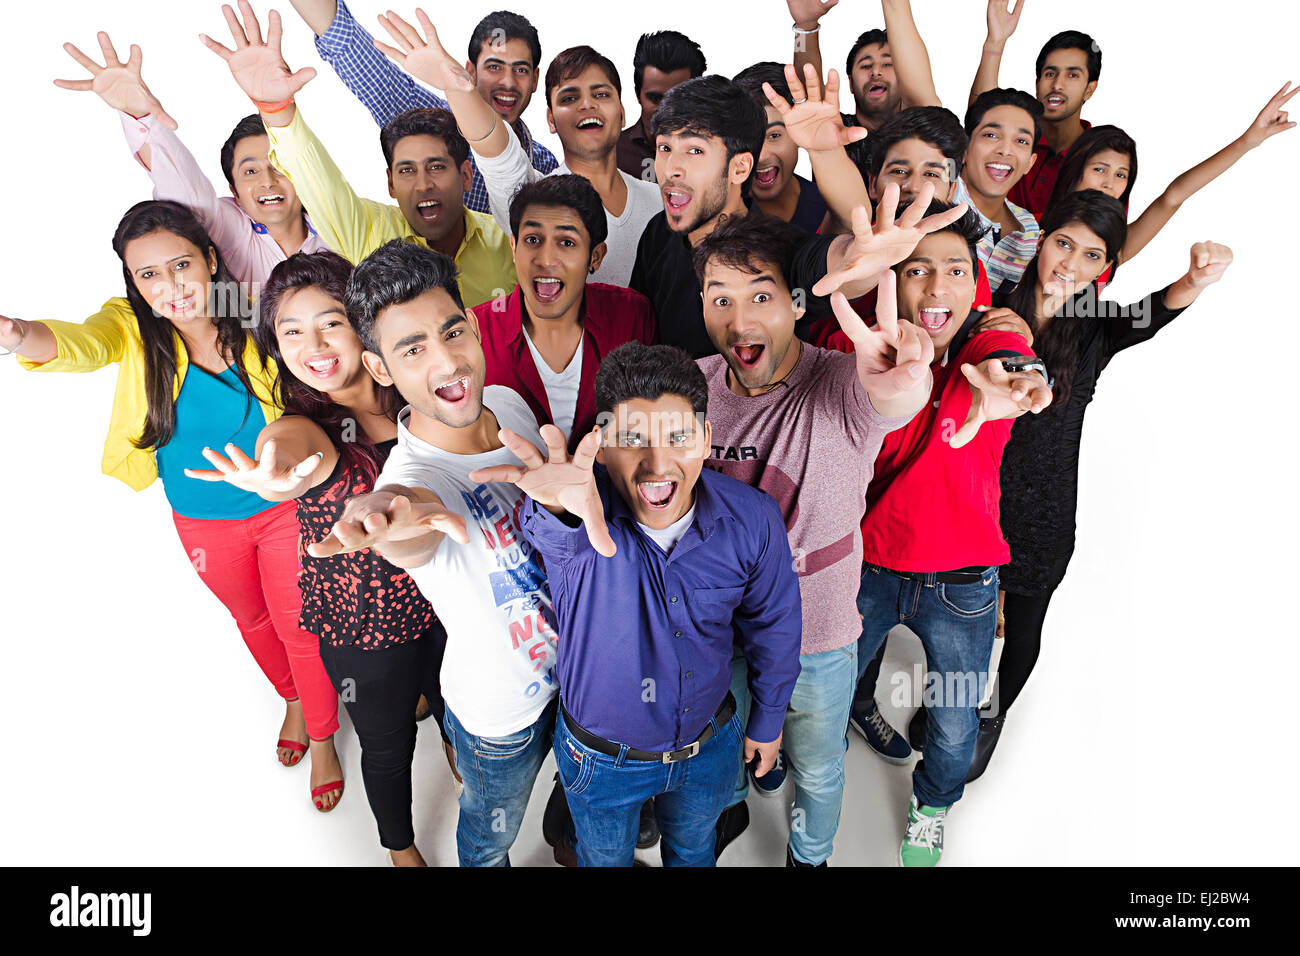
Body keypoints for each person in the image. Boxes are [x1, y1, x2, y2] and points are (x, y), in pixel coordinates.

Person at [0, 200, 344, 809]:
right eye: (148, 275)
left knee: (300, 626)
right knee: (253, 620)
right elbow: (81, 343)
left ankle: (321, 735)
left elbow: (314, 351)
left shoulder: (254, 310)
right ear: (132, 283)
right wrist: (20, 334)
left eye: (181, 265)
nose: (170, 287)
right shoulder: (133, 326)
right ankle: (290, 698)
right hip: (203, 521)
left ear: (210, 259)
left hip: (283, 505)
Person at [473, 342, 804, 866]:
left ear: (706, 439)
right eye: (632, 440)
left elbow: (776, 626)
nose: (657, 465)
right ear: (601, 449)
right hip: (601, 761)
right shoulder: (578, 520)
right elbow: (557, 534)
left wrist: (768, 720)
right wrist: (557, 505)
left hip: (710, 745)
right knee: (604, 859)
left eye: (679, 438)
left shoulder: (754, 518)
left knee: (695, 853)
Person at [184, 250, 454, 865]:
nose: (316, 345)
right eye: (291, 331)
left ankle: (450, 739)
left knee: (448, 696)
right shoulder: (310, 428)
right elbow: (288, 450)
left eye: (330, 321)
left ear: (362, 321)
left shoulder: (420, 393)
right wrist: (275, 471)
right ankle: (400, 847)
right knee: (386, 747)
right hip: (371, 626)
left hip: (446, 596)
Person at [693, 199, 937, 866]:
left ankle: (811, 856)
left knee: (822, 767)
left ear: (799, 303)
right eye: (719, 298)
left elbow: (889, 396)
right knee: (725, 752)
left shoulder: (840, 382)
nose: (738, 320)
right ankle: (745, 788)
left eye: (760, 295)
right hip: (723, 635)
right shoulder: (692, 387)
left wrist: (904, 380)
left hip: (819, 635)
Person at [308, 239, 556, 867]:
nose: (447, 364)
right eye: (412, 349)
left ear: (473, 326)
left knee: (576, 801)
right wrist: (380, 518)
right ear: (381, 368)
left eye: (452, 333)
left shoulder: (509, 405)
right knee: (487, 838)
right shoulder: (413, 476)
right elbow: (405, 516)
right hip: (503, 717)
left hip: (581, 683)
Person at [970, 191, 1234, 780]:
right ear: (1042, 240)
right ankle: (955, 707)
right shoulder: (992, 303)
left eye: (1092, 256)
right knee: (965, 619)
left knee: (1026, 625)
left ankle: (992, 715)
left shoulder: (1096, 328)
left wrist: (1193, 279)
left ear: (1105, 267)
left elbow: (1154, 311)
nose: (1071, 264)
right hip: (974, 498)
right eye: (1064, 244)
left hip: (1044, 505)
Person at [850, 199, 1053, 865]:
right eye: (917, 271)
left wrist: (1021, 378)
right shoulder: (869, 355)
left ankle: (932, 806)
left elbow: (1011, 359)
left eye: (956, 271)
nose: (937, 288)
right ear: (892, 280)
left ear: (978, 284)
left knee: (957, 724)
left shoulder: (988, 344)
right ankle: (857, 714)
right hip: (870, 568)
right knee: (836, 680)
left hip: (962, 582)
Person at [202, 1, 515, 308]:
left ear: (466, 175)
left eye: (435, 167)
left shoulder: (507, 240)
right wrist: (277, 109)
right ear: (390, 184)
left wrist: (460, 91)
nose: (423, 185)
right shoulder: (370, 232)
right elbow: (319, 182)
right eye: (406, 171)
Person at [630, 67, 914, 357]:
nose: (671, 169)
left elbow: (838, 261)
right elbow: (637, 329)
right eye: (665, 147)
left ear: (739, 168)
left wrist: (864, 257)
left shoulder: (780, 247)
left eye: (695, 151)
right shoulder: (657, 234)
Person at [371, 13, 662, 287]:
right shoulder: (534, 195)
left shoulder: (660, 200)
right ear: (551, 120)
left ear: (623, 114)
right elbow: (497, 151)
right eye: (570, 97)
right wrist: (456, 86)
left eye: (601, 94)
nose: (587, 105)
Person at [55, 31, 328, 286]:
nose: (268, 181)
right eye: (250, 171)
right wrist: (140, 114)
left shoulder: (339, 231)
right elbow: (186, 192)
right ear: (235, 193)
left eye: (279, 166)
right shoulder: (231, 229)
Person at [288, 0, 558, 214]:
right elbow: (344, 40)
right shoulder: (428, 121)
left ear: (535, 79)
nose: (507, 83)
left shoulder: (545, 164)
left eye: (520, 70)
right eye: (494, 67)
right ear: (470, 72)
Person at [471, 175, 656, 451]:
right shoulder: (474, 332)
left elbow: (654, 421)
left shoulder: (632, 315)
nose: (545, 260)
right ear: (513, 247)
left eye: (567, 243)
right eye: (532, 239)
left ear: (595, 257)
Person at [1042, 84, 1296, 268]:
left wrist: (1247, 141)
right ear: (1075, 170)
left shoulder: (1114, 248)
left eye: (1121, 174)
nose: (1110, 184)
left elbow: (1174, 197)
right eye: (1099, 169)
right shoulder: (1031, 230)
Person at [968, 8, 1103, 219]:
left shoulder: (1102, 160)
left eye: (1073, 75)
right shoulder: (1011, 140)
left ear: (1090, 89)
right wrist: (995, 43)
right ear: (1038, 83)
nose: (1058, 85)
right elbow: (981, 117)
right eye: (1050, 73)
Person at [732, 62, 830, 233]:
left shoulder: (829, 208)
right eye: (750, 137)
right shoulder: (718, 212)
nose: (761, 156)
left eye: (774, 136)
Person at [618, 31, 707, 182]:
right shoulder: (612, 154)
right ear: (637, 94)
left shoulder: (718, 153)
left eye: (678, 98)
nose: (667, 109)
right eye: (655, 98)